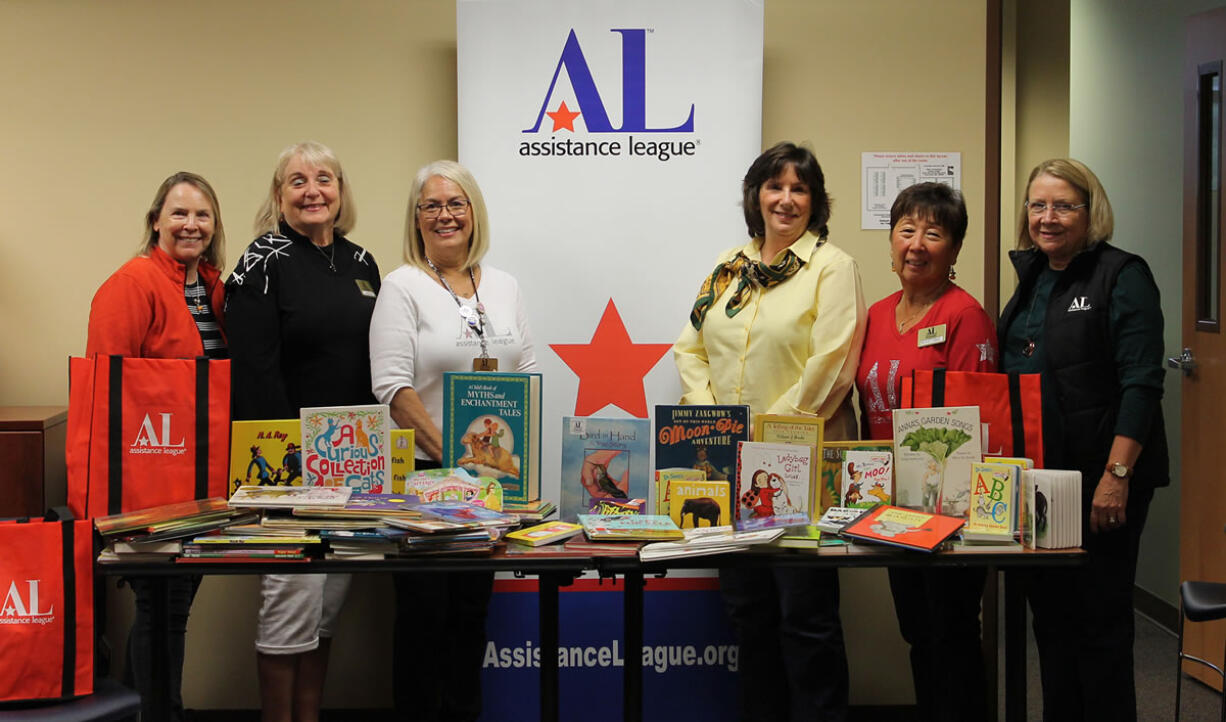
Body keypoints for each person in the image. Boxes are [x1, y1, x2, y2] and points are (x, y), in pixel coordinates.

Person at [673, 141, 866, 721]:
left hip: (801, 473)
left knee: (805, 617)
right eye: (775, 186)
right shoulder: (729, 267)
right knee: (748, 613)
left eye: (799, 189)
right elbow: (691, 348)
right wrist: (716, 426)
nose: (785, 199)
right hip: (729, 467)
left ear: (815, 202)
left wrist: (757, 435)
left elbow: (831, 365)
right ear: (756, 196)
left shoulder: (833, 267)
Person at [999, 158, 1168, 721]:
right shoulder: (1033, 278)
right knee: (1051, 624)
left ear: (1090, 211)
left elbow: (1142, 382)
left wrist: (1116, 478)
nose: (1047, 218)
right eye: (1038, 205)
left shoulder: (1122, 274)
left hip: (1100, 481)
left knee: (1098, 627)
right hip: (1042, 482)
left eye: (1064, 205)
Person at [369, 159, 537, 721]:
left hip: (493, 484)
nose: (445, 215)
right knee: (424, 620)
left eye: (455, 203)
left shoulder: (507, 285)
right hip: (425, 481)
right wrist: (457, 457)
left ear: (474, 212)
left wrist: (511, 465)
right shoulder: (402, 286)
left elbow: (526, 373)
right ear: (416, 220)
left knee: (471, 617)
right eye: (431, 206)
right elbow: (392, 388)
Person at [226, 141, 381, 722]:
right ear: (279, 195)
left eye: (324, 178)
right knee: (289, 604)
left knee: (326, 608)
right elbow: (253, 372)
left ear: (341, 191)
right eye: (297, 181)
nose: (312, 190)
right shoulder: (262, 261)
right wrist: (287, 480)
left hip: (355, 466)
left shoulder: (363, 263)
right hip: (290, 471)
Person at [85, 171, 228, 722]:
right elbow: (106, 391)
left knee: (171, 600)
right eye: (179, 213)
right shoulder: (132, 283)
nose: (191, 224)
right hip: (149, 474)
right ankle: (163, 712)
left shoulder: (213, 286)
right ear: (156, 220)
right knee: (161, 603)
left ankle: (139, 711)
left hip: (200, 473)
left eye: (202, 215)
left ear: (214, 227)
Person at [854, 182, 998, 722]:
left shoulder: (966, 316)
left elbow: (978, 422)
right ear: (891, 241)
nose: (916, 244)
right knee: (917, 630)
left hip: (950, 507)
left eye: (933, 233)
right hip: (891, 506)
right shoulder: (877, 314)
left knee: (952, 629)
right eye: (906, 230)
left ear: (955, 249)